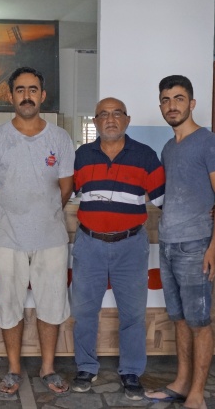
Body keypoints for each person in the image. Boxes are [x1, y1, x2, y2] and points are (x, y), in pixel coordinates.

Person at [0, 67, 75, 398]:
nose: (27, 96)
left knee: (52, 304)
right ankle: (14, 369)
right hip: (7, 238)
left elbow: (66, 187)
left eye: (33, 89)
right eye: (20, 90)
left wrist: (45, 213)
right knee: (9, 305)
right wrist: (5, 218)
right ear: (11, 96)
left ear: (42, 95)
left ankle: (48, 368)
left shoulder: (59, 138)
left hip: (51, 238)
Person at [70, 97, 165, 400]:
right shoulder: (81, 156)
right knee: (84, 311)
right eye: (103, 114)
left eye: (117, 114)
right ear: (95, 121)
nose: (110, 119)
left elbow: (164, 199)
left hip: (131, 245)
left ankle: (131, 371)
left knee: (133, 313)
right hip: (89, 244)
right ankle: (86, 367)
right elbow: (65, 192)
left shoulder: (146, 155)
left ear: (127, 119)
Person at [144, 76, 215, 408]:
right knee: (178, 318)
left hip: (197, 245)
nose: (172, 106)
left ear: (192, 103)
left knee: (199, 322)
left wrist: (214, 246)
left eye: (179, 98)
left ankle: (197, 394)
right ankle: (180, 383)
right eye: (166, 100)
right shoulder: (168, 148)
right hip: (168, 243)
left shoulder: (209, 142)